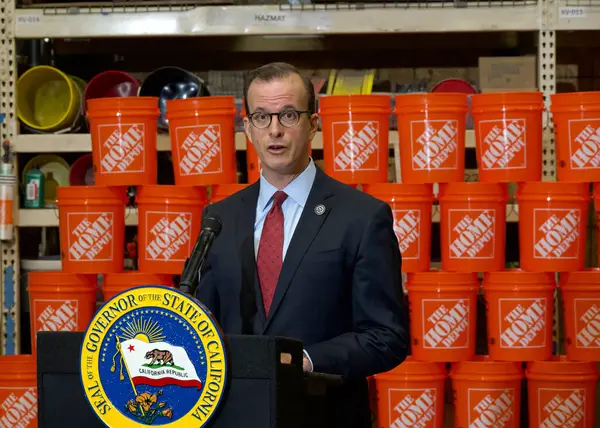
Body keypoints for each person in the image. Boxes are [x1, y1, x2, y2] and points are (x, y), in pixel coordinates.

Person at [196, 62, 408, 427]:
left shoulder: (361, 217)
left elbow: (386, 337)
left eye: (288, 115)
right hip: (234, 415)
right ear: (247, 128)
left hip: (324, 414)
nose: (274, 130)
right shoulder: (220, 218)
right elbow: (203, 319)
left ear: (313, 123)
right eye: (261, 116)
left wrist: (305, 360)